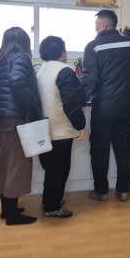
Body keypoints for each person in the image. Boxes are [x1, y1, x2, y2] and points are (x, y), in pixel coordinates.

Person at [80, 9, 130, 202]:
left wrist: (81, 101)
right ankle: (123, 191)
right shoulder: (129, 43)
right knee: (122, 148)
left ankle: (101, 192)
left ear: (104, 25)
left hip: (102, 107)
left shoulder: (93, 46)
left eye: (96, 24)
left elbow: (89, 77)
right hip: (123, 106)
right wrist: (127, 30)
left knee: (100, 150)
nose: (95, 28)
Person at [0, 27, 41, 225]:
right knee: (16, 165)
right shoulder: (22, 57)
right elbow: (17, 82)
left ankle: (7, 210)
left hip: (1, 119)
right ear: (24, 41)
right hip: (15, 120)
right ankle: (12, 217)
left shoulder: (1, 60)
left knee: (4, 164)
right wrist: (32, 103)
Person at [36, 36, 87, 218]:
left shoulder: (43, 69)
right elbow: (71, 103)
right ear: (62, 52)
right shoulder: (64, 71)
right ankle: (52, 207)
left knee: (51, 169)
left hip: (45, 127)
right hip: (60, 129)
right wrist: (81, 126)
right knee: (59, 170)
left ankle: (49, 199)